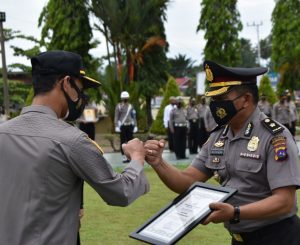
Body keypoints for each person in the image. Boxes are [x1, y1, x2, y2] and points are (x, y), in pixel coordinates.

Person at [0, 50, 149, 245]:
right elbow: (121, 192)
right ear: (66, 82)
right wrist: (137, 158)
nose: (82, 97)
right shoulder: (72, 140)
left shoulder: (3, 132)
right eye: (80, 88)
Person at [145, 60, 300, 245]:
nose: (215, 105)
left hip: (277, 238)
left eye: (221, 99)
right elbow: (186, 181)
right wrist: (158, 162)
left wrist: (235, 212)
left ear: (246, 99)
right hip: (239, 239)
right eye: (214, 100)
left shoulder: (275, 137)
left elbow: (285, 202)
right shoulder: (218, 137)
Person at [114, 91, 138, 163]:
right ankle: (124, 156)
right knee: (123, 142)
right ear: (122, 98)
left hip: (130, 125)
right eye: (124, 98)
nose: (125, 99)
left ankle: (130, 156)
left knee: (130, 142)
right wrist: (116, 125)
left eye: (126, 98)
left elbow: (134, 116)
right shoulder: (118, 106)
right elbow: (116, 116)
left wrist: (136, 126)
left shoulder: (131, 106)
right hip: (122, 126)